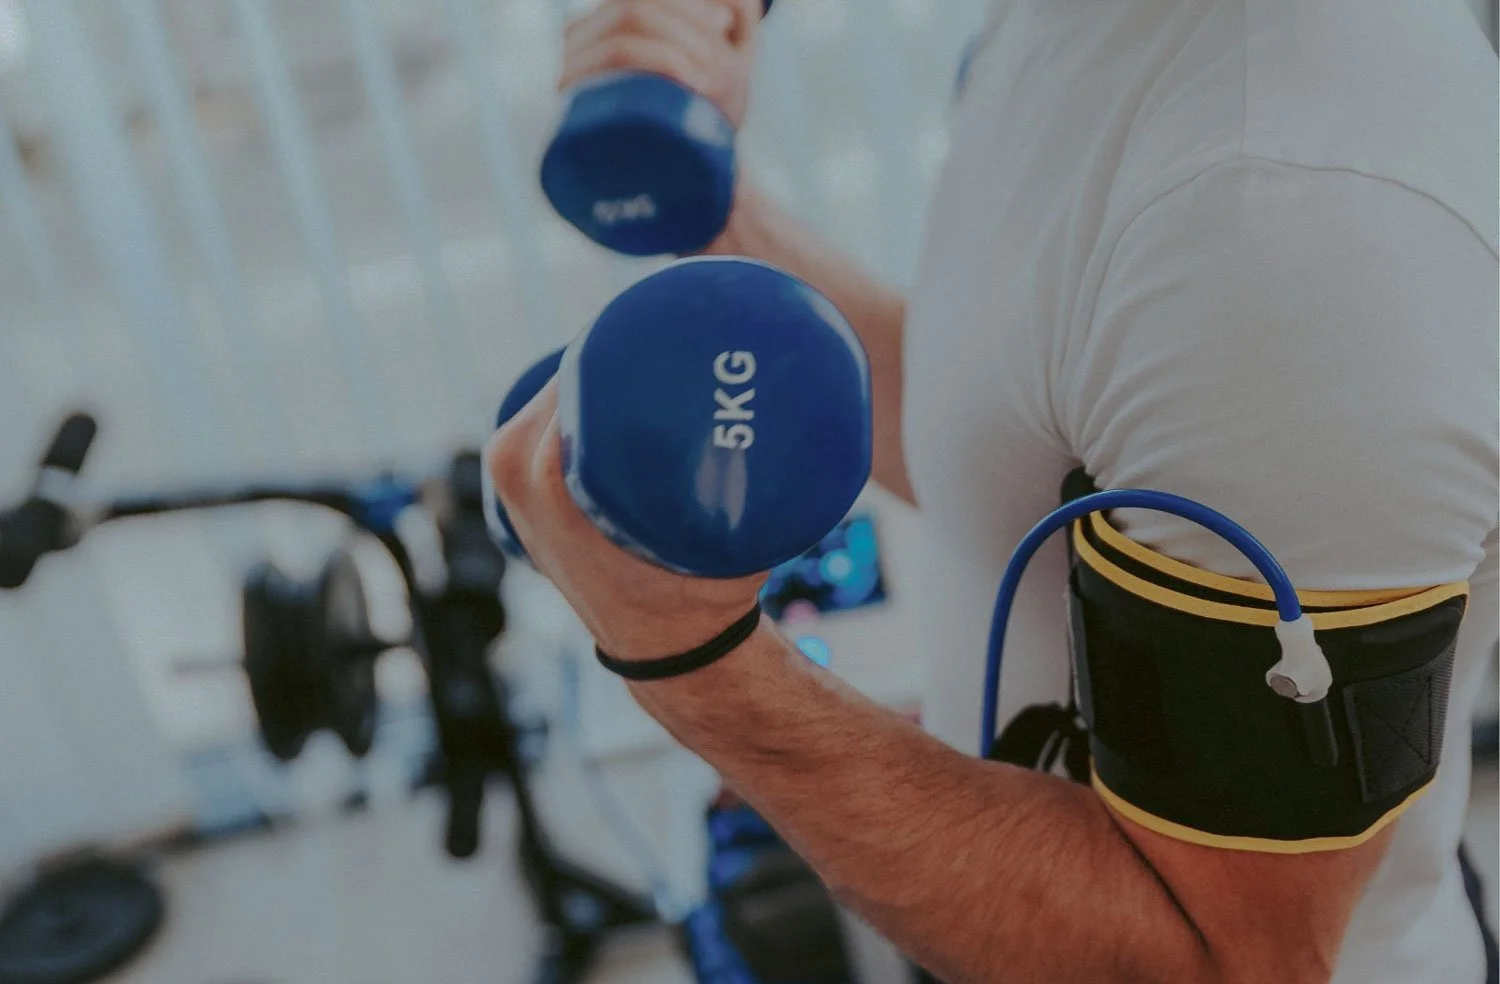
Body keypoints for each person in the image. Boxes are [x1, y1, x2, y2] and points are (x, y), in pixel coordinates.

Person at [489, 0, 1499, 980]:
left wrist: (694, 658)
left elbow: (1222, 961)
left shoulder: (1293, 225)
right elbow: (995, 437)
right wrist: (720, 217)